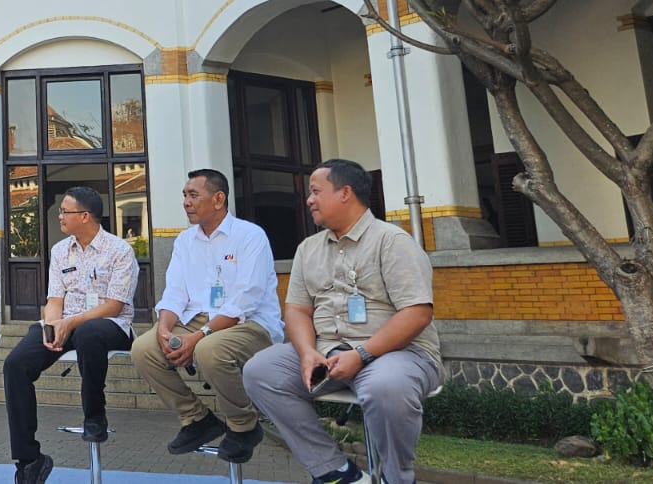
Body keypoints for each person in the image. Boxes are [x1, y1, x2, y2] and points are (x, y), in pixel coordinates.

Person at [243, 159, 443, 484]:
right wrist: (307, 353)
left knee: (385, 387)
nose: (309, 200)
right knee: (261, 372)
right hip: (327, 350)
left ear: (345, 193)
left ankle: (397, 478)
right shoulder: (308, 249)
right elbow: (296, 311)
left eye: (316, 191)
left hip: (395, 353)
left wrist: (361, 355)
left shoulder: (392, 241)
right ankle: (335, 471)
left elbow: (417, 313)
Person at [130, 169, 282, 464]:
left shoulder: (250, 236)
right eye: (184, 195)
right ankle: (196, 419)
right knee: (143, 348)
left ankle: (244, 426)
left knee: (208, 349)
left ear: (218, 199)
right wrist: (164, 328)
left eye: (193, 195)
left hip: (249, 323)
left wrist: (198, 337)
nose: (186, 202)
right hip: (197, 319)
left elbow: (246, 299)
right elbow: (175, 292)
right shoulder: (185, 241)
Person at [2, 186, 138, 484]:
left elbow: (114, 305)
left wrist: (71, 323)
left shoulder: (120, 250)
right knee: (15, 364)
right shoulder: (60, 250)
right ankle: (29, 459)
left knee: (89, 332)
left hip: (109, 325)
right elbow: (54, 300)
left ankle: (94, 415)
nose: (60, 216)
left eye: (65, 211)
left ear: (85, 216)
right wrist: (52, 326)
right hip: (66, 324)